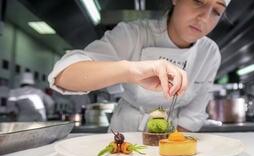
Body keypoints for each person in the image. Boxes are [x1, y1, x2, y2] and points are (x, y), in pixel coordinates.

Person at [48, 0, 231, 132]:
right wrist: (129, 71)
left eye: (216, 11)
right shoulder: (134, 34)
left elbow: (193, 115)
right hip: (124, 137)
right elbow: (65, 76)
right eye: (198, 1)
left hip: (171, 137)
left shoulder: (209, 52)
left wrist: (172, 149)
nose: (205, 18)